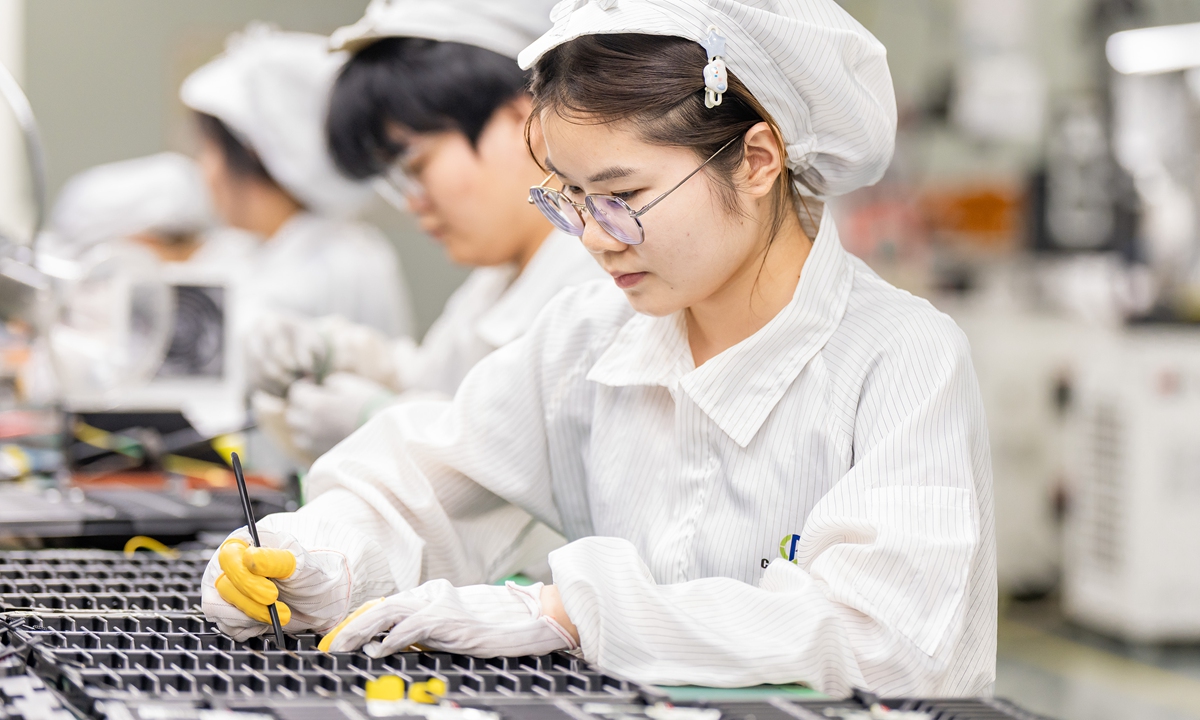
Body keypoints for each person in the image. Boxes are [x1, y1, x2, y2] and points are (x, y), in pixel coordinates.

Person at [202, 0, 996, 698]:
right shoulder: (589, 335)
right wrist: (314, 555)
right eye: (570, 199)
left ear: (757, 160)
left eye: (623, 198)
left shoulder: (901, 358)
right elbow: (426, 479)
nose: (592, 237)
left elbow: (885, 642)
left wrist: (570, 610)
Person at [242, 0, 605, 460]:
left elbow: (530, 473)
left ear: (521, 122)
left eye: (416, 164)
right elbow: (440, 379)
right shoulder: (498, 279)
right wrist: (342, 353)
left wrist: (377, 419)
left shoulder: (594, 278)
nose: (414, 201)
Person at [181, 25, 415, 343]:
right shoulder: (236, 253)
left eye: (209, 149)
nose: (203, 170)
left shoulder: (342, 264)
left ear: (254, 153)